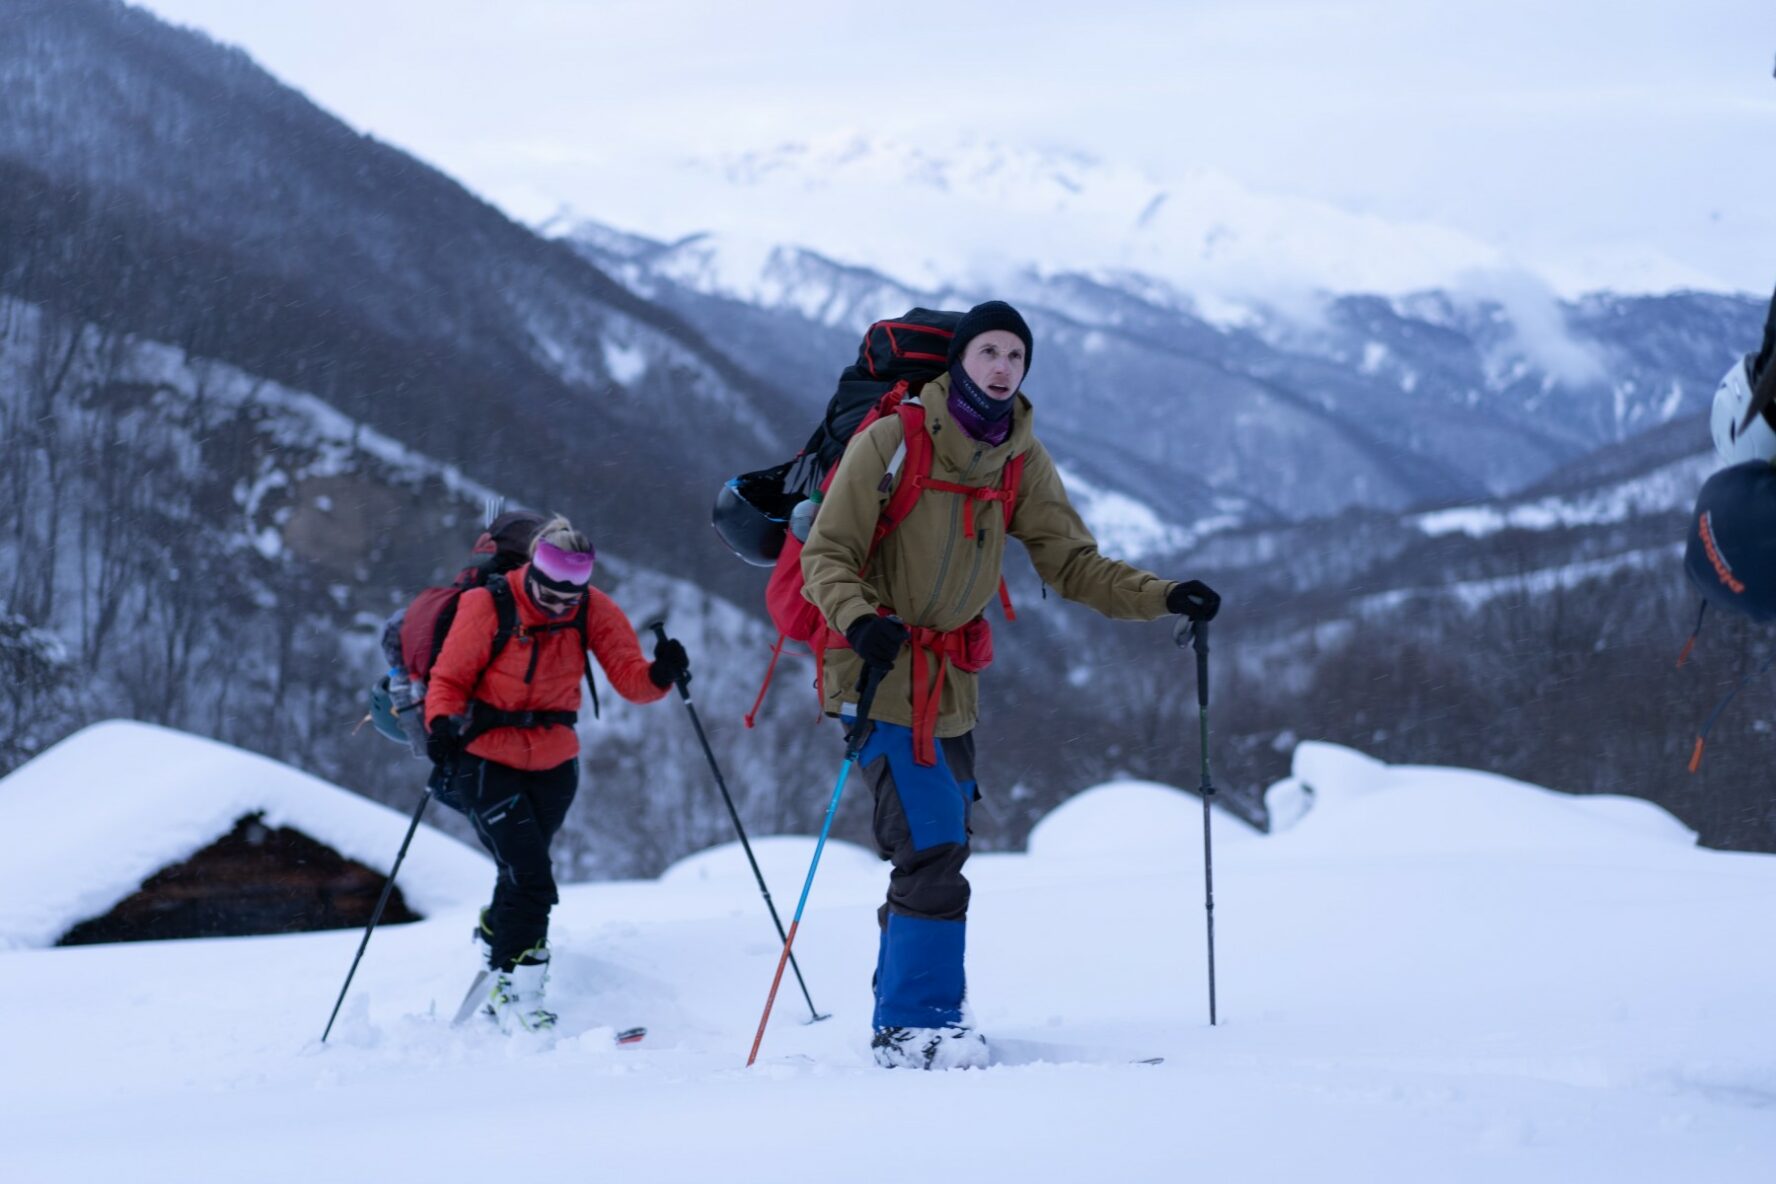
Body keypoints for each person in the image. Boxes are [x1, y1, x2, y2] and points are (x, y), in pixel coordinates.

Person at [800, 300, 1221, 1070]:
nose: (1002, 368)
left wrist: (1164, 595)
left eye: (1016, 356)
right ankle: (915, 1024)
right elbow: (825, 553)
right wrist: (860, 621)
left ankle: (910, 1006)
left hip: (954, 681)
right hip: (879, 669)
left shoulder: (1019, 457)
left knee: (940, 843)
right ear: (959, 359)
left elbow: (1073, 564)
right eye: (988, 351)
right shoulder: (893, 438)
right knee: (931, 843)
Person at [424, 515, 689, 1032]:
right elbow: (449, 679)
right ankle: (518, 991)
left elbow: (631, 680)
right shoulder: (488, 604)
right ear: (533, 573)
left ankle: (497, 941)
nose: (559, 607)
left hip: (554, 764)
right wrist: (440, 724)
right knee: (533, 876)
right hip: (485, 758)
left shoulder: (592, 607)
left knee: (519, 870)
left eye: (571, 598)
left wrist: (661, 672)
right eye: (549, 596)